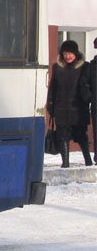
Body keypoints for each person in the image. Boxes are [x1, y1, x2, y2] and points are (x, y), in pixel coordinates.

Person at [46, 39, 92, 168]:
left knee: (81, 136)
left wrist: (88, 99)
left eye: (70, 53)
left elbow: (87, 86)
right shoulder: (58, 68)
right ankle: (65, 163)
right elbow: (53, 87)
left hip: (78, 109)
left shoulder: (84, 67)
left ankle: (88, 161)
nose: (67, 56)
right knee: (62, 137)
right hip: (61, 108)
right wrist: (50, 103)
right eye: (65, 53)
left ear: (76, 54)